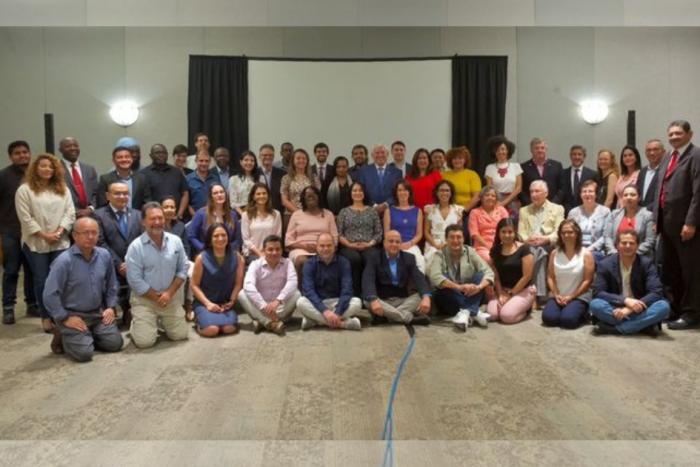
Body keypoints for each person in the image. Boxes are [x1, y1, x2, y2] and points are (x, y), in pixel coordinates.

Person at [42, 217, 123, 361]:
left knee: (115, 344)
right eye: (85, 233)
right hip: (73, 315)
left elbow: (112, 283)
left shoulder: (104, 255)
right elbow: (49, 294)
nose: (90, 237)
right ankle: (64, 334)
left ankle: (86, 336)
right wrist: (64, 318)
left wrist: (110, 307)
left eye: (94, 233)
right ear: (74, 235)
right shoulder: (63, 261)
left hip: (97, 313)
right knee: (84, 354)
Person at [15, 154, 75, 333]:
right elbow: (25, 218)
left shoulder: (62, 188)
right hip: (35, 243)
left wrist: (59, 231)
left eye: (51, 166)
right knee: (42, 280)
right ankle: (46, 316)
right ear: (35, 168)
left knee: (61, 279)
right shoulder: (25, 190)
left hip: (60, 241)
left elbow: (70, 213)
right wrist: (44, 234)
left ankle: (61, 314)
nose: (47, 169)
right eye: (43, 166)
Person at [653, 120, 700, 330]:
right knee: (670, 271)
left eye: (678, 133)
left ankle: (691, 314)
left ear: (689, 134)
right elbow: (659, 190)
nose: (673, 137)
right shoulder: (668, 157)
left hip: (686, 228)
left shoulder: (696, 156)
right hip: (666, 226)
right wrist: (656, 219)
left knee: (689, 272)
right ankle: (674, 310)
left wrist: (691, 222)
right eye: (670, 134)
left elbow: (698, 193)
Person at [125, 202, 189, 348]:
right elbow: (134, 280)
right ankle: (137, 322)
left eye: (160, 218)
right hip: (145, 300)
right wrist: (156, 297)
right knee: (145, 342)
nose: (158, 222)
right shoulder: (136, 247)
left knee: (180, 335)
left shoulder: (175, 241)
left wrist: (168, 294)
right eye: (152, 219)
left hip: (169, 298)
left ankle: (159, 322)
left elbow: (182, 269)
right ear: (143, 222)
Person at [590, 229, 670, 336]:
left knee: (663, 306)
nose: (628, 246)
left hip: (640, 308)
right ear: (617, 245)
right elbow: (598, 292)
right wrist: (625, 300)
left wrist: (629, 310)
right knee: (595, 305)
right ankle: (642, 325)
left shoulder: (646, 264)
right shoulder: (605, 264)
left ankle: (617, 329)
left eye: (631, 243)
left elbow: (656, 292)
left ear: (637, 246)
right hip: (615, 307)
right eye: (624, 243)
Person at [94, 182, 143, 327]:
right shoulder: (98, 215)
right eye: (117, 193)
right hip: (108, 263)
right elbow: (100, 242)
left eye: (125, 193)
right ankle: (111, 311)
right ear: (108, 196)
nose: (122, 196)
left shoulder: (138, 214)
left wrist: (130, 262)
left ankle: (130, 311)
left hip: (133, 263)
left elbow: (142, 240)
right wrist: (118, 263)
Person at [430, 224, 494, 331]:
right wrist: (459, 287)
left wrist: (478, 287)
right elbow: (434, 276)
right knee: (443, 281)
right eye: (452, 237)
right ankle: (475, 312)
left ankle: (465, 313)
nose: (456, 240)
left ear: (464, 239)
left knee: (480, 275)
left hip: (470, 293)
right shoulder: (439, 254)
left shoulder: (470, 252)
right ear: (446, 239)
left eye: (459, 237)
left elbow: (489, 272)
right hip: (450, 299)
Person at [362, 230, 432, 325]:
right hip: (382, 300)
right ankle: (408, 319)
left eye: (397, 242)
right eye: (391, 241)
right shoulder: (374, 257)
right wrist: (374, 300)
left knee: (421, 297)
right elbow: (367, 279)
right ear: (384, 243)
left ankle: (387, 317)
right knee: (367, 301)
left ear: (401, 244)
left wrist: (426, 297)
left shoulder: (409, 258)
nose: (394, 244)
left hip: (401, 300)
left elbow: (419, 277)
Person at [0, 140, 36, 324]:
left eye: (25, 152)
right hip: (10, 231)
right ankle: (8, 307)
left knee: (32, 270)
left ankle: (32, 304)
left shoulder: (36, 174)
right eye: (17, 153)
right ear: (11, 156)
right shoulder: (3, 176)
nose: (22, 155)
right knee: (11, 270)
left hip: (32, 231)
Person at [297, 233, 363, 331]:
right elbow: (308, 291)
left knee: (357, 302)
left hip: (337, 302)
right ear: (317, 247)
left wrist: (338, 312)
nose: (325, 249)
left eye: (329, 245)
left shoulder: (344, 262)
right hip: (318, 303)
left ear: (334, 247)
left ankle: (315, 321)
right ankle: (343, 324)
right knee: (300, 302)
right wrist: (325, 311)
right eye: (322, 246)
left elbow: (347, 289)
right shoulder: (309, 264)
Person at [238, 235, 301, 335]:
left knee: (297, 294)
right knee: (242, 294)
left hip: (280, 308)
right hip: (260, 307)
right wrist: (263, 306)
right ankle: (270, 323)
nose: (274, 252)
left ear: (282, 250)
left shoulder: (288, 263)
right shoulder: (255, 264)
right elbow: (248, 285)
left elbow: (293, 282)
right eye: (270, 249)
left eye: (277, 249)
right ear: (264, 250)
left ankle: (261, 322)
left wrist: (278, 300)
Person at [190, 223, 244, 337]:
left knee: (229, 329)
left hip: (225, 303)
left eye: (223, 235)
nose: (220, 238)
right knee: (212, 330)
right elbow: (194, 285)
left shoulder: (237, 257)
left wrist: (232, 300)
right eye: (216, 236)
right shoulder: (201, 258)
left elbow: (238, 283)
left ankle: (219, 319)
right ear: (210, 239)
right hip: (205, 303)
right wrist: (208, 304)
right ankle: (198, 320)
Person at [518, 180, 564, 306]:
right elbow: (521, 232)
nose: (534, 194)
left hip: (549, 244)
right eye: (532, 191)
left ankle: (533, 293)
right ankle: (540, 294)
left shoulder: (557, 209)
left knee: (540, 251)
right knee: (536, 251)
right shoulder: (524, 210)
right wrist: (527, 239)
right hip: (529, 244)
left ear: (546, 193)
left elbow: (559, 231)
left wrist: (546, 239)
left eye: (537, 191)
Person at [542, 220, 595, 329]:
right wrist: (556, 294)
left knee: (568, 321)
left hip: (578, 296)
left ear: (577, 234)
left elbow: (587, 280)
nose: (566, 235)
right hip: (558, 295)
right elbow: (550, 277)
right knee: (549, 319)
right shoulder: (554, 253)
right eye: (563, 232)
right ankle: (564, 309)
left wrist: (572, 296)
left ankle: (583, 313)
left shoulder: (586, 254)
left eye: (570, 232)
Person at [337, 182, 383, 296]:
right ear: (350, 193)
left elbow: (379, 233)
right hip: (348, 246)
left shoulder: (372, 211)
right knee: (355, 259)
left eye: (360, 190)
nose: (357, 193)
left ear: (364, 193)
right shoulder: (344, 212)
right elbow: (338, 233)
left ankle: (369, 294)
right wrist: (349, 244)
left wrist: (369, 244)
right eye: (354, 190)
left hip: (369, 246)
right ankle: (355, 294)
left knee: (372, 257)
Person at [487, 218, 536, 324]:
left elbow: (527, 276)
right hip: (503, 289)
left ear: (515, 233)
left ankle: (526, 309)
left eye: (510, 232)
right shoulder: (495, 250)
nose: (507, 235)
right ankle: (511, 306)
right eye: (503, 232)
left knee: (506, 316)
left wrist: (510, 294)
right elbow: (496, 276)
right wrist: (500, 293)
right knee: (492, 315)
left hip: (523, 290)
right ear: (498, 233)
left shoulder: (524, 249)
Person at [285, 186, 338, 273]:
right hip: (300, 250)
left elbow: (335, 238)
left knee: (324, 260)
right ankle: (303, 287)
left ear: (319, 197)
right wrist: (304, 247)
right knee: (304, 261)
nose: (310, 197)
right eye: (307, 195)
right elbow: (288, 241)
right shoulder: (296, 215)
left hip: (324, 248)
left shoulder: (328, 214)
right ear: (303, 199)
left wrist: (321, 248)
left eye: (313, 194)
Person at [187, 183, 241, 255]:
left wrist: (228, 250)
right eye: (215, 193)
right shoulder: (201, 214)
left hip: (228, 254)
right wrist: (203, 248)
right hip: (207, 254)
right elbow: (191, 236)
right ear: (211, 197)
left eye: (222, 192)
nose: (219, 195)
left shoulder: (233, 215)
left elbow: (237, 239)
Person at [383, 181, 425, 273]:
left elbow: (419, 234)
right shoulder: (389, 211)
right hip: (393, 245)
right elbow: (386, 233)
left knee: (419, 261)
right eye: (400, 190)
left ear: (409, 193)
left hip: (411, 245)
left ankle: (417, 286)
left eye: (405, 190)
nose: (402, 193)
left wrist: (409, 244)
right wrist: (396, 244)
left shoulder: (418, 211)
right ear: (396, 193)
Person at [604, 185, 655, 258]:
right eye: (625, 195)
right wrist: (614, 253)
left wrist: (632, 254)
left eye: (632, 195)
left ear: (639, 198)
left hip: (639, 257)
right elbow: (607, 237)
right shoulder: (614, 214)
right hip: (615, 256)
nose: (628, 197)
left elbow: (650, 240)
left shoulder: (648, 215)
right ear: (622, 198)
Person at [141, 144, 190, 220]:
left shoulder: (177, 172)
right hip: (155, 219)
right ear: (151, 155)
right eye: (157, 153)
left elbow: (185, 194)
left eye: (164, 153)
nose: (161, 155)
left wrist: (180, 214)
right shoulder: (144, 174)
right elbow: (145, 199)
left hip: (176, 219)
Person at [567, 180, 610, 262]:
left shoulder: (605, 212)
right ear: (580, 195)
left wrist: (590, 249)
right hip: (576, 249)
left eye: (590, 191)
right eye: (584, 191)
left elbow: (606, 236)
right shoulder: (573, 212)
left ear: (596, 194)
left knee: (587, 258)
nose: (587, 194)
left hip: (597, 250)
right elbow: (568, 233)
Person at [424, 180, 465, 266]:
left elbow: (460, 232)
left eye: (447, 190)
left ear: (451, 193)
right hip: (433, 244)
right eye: (441, 190)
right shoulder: (430, 209)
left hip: (453, 243)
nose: (444, 193)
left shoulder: (458, 210)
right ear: (437, 192)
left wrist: (448, 244)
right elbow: (426, 232)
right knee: (433, 260)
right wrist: (436, 245)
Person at [240, 183, 282, 264]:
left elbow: (278, 236)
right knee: (263, 263)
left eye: (264, 193)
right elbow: (246, 239)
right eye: (258, 194)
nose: (261, 196)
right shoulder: (246, 215)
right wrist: (260, 253)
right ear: (253, 196)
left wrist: (268, 251)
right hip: (252, 253)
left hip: (272, 252)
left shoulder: (276, 214)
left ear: (268, 195)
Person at [356, 144, 403, 216]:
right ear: (372, 155)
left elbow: (398, 192)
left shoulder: (397, 172)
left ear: (387, 155)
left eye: (383, 152)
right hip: (368, 211)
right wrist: (374, 206)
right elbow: (361, 191)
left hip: (390, 211)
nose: (380, 155)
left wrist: (386, 204)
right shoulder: (363, 171)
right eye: (377, 153)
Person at [467, 186, 509, 263]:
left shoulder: (502, 210)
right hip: (482, 246)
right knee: (490, 259)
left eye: (493, 196)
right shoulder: (474, 212)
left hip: (502, 243)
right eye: (487, 195)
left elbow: (508, 228)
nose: (490, 197)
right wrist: (489, 246)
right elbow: (474, 233)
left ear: (496, 199)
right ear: (481, 198)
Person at [58, 137, 98, 218]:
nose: (73, 148)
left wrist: (90, 208)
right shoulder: (55, 169)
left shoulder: (90, 169)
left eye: (75, 145)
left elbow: (96, 193)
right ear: (60, 150)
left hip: (90, 216)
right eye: (68, 146)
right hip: (65, 217)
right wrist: (74, 211)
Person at [484, 135, 522, 216]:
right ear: (494, 152)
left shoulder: (516, 166)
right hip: (495, 201)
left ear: (508, 150)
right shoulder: (489, 168)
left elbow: (518, 188)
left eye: (503, 149)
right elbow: (490, 187)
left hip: (513, 202)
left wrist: (504, 202)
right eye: (497, 150)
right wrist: (498, 202)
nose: (501, 152)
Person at [519, 137, 563, 206]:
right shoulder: (523, 167)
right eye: (536, 148)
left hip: (552, 207)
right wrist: (531, 205)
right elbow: (521, 190)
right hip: (531, 207)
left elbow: (561, 189)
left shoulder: (557, 166)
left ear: (546, 150)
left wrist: (552, 205)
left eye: (542, 148)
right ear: (531, 150)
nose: (540, 150)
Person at [280, 148, 320, 223]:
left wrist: (308, 213)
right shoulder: (286, 178)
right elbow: (284, 200)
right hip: (292, 215)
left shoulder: (314, 178)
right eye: (298, 158)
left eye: (304, 158)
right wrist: (299, 213)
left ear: (307, 161)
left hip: (311, 215)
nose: (301, 160)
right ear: (293, 161)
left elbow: (317, 198)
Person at [558, 145, 598, 214]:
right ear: (570, 156)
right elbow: (561, 194)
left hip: (587, 211)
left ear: (584, 157)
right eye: (574, 154)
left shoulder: (592, 174)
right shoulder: (563, 173)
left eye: (579, 154)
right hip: (567, 212)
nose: (577, 157)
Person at [441, 146, 482, 215]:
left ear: (465, 160)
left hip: (466, 212)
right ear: (450, 160)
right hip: (447, 212)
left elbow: (477, 197)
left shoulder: (472, 175)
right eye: (454, 158)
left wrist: (464, 211)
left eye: (460, 158)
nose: (457, 161)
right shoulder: (444, 175)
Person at [186, 152, 220, 217]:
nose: (204, 163)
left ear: (210, 162)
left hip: (213, 216)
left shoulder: (215, 179)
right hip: (193, 217)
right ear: (196, 161)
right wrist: (196, 216)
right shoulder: (188, 179)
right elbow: (187, 203)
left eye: (206, 161)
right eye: (201, 161)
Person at [228, 150, 262, 215]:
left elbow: (264, 197)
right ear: (241, 162)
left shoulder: (261, 178)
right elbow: (233, 202)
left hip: (258, 212)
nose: (249, 162)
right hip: (239, 213)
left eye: (252, 160)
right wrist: (243, 214)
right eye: (246, 160)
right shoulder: (233, 179)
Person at [637, 139, 665, 208]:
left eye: (655, 149)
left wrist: (645, 210)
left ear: (663, 152)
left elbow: (665, 197)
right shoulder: (642, 171)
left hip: (659, 215)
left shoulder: (667, 171)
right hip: (642, 215)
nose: (652, 153)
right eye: (648, 150)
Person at [258, 144, 285, 213]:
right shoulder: (254, 173)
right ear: (259, 157)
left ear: (273, 157)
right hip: (258, 212)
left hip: (278, 211)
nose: (268, 157)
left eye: (270, 155)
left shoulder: (282, 174)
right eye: (264, 155)